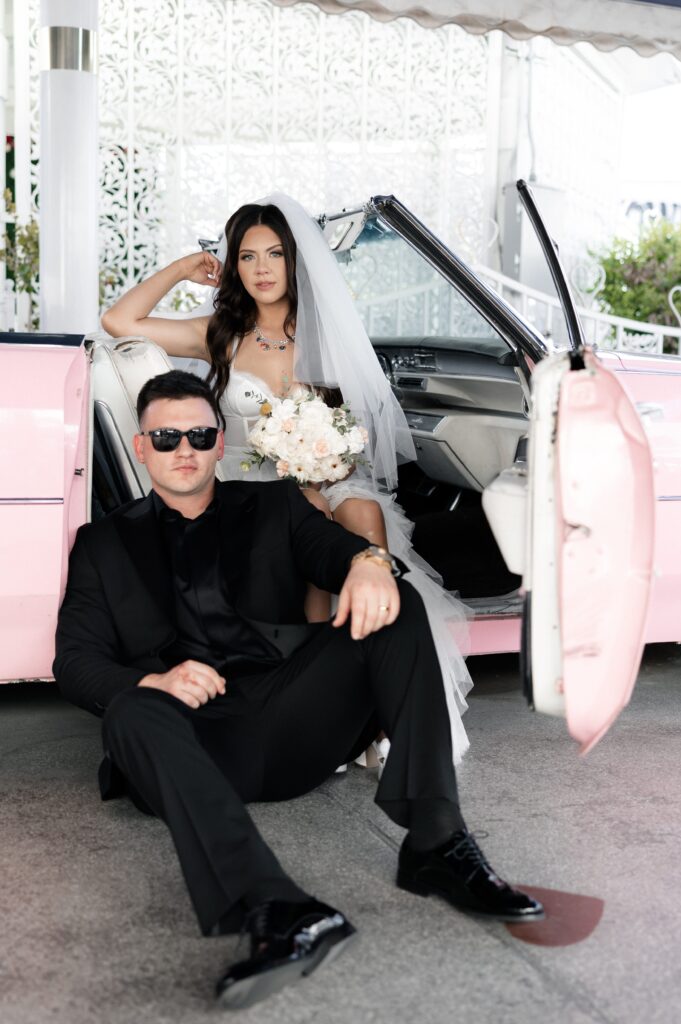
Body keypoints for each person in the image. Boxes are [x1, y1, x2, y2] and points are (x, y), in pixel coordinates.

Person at [54, 369, 543, 1010]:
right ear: (141, 447)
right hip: (191, 741)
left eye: (199, 435)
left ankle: (435, 840)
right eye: (166, 437)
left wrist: (370, 566)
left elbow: (339, 548)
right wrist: (155, 679)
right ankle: (278, 909)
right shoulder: (100, 545)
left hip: (291, 716)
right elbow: (76, 662)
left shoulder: (274, 507)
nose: (184, 449)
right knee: (129, 711)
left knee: (397, 608)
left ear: (219, 439)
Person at [101, 193, 472, 770]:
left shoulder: (325, 335)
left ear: (296, 261)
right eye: (247, 257)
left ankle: (374, 690)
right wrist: (181, 269)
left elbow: (354, 431)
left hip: (327, 475)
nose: (263, 269)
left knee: (364, 519)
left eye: (275, 254)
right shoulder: (220, 333)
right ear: (232, 266)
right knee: (308, 519)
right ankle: (319, 693)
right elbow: (119, 322)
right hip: (244, 480)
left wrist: (328, 465)